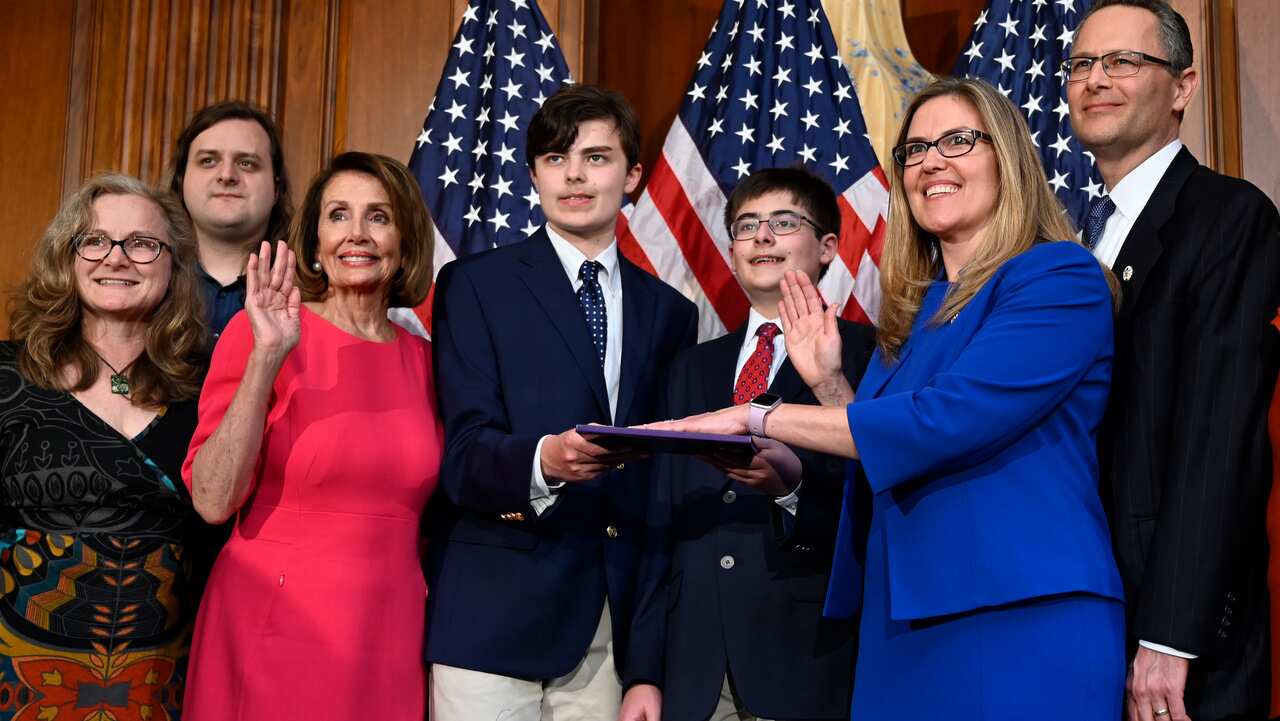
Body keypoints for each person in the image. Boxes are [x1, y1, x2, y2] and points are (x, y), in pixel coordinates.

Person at [656, 77, 1127, 720]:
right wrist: (827, 384)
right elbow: (882, 448)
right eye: (916, 149)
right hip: (899, 617)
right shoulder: (914, 312)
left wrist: (756, 414)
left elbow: (942, 424)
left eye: (959, 140)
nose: (932, 161)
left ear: (1008, 157)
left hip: (1017, 610)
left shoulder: (1057, 275)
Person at [427, 84, 698, 721]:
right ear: (534, 175)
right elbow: (462, 454)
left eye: (596, 158)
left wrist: (645, 661)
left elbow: (662, 484)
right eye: (555, 158)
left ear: (633, 175)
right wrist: (545, 460)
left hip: (607, 627)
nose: (574, 174)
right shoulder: (474, 285)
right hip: (492, 613)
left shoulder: (670, 313)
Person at [1066, 2, 1280, 719]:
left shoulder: (1229, 216)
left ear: (1183, 86)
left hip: (1171, 644)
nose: (1096, 80)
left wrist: (1171, 635)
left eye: (1123, 61)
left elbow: (1220, 438)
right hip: (1077, 610)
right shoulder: (1064, 244)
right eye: (1082, 65)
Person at [181, 152, 439, 720]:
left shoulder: (430, 362)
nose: (357, 234)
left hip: (390, 632)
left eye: (378, 217)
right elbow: (212, 498)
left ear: (405, 238)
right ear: (315, 239)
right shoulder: (266, 334)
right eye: (338, 215)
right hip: (273, 621)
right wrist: (267, 358)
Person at [623, 167, 874, 721]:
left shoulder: (869, 356)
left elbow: (878, 504)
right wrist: (643, 672)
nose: (762, 237)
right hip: (693, 669)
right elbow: (659, 519)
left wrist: (793, 490)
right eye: (746, 225)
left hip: (807, 659)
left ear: (828, 246)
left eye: (783, 222)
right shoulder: (689, 367)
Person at [0, 174, 207, 721]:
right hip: (17, 675)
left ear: (173, 266)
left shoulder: (208, 386)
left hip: (161, 678)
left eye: (142, 244)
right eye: (94, 240)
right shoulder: (7, 375)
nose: (117, 258)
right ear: (67, 258)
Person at [168, 100, 292, 341]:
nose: (226, 176)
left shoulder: (310, 288)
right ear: (181, 181)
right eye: (208, 161)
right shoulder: (144, 276)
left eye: (246, 163)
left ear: (276, 188)